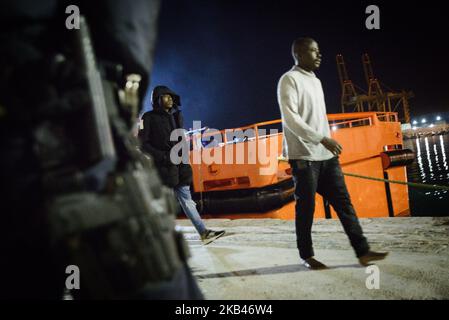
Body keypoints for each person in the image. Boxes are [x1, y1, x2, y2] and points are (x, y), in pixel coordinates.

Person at [0, 0, 202, 299]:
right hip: (75, 122)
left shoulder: (174, 117)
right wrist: (115, 81)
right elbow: (127, 27)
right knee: (140, 263)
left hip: (61, 110)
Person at [277, 37, 388, 269]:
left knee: (344, 204)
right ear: (299, 54)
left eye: (319, 50)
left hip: (326, 157)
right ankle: (306, 256)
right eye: (313, 51)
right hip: (304, 158)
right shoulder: (289, 80)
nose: (319, 55)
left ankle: (363, 251)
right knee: (305, 209)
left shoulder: (316, 81)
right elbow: (291, 119)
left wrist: (326, 143)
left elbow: (319, 118)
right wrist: (323, 139)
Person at [140, 85, 225, 245]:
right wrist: (163, 157)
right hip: (163, 169)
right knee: (161, 205)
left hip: (180, 167)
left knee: (187, 201)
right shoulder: (147, 118)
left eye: (171, 96)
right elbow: (143, 144)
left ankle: (204, 233)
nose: (170, 99)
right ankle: (157, 240)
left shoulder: (176, 116)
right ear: (158, 99)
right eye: (166, 96)